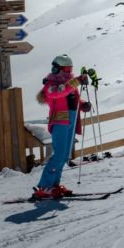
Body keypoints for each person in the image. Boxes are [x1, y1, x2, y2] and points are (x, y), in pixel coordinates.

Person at [31, 54, 90, 200]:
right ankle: (44, 187)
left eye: (70, 69)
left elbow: (73, 98)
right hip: (60, 122)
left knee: (64, 156)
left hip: (71, 121)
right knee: (58, 155)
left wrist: (82, 105)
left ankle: (54, 185)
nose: (69, 71)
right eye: (66, 69)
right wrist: (76, 81)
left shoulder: (69, 83)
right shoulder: (50, 85)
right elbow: (61, 92)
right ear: (57, 69)